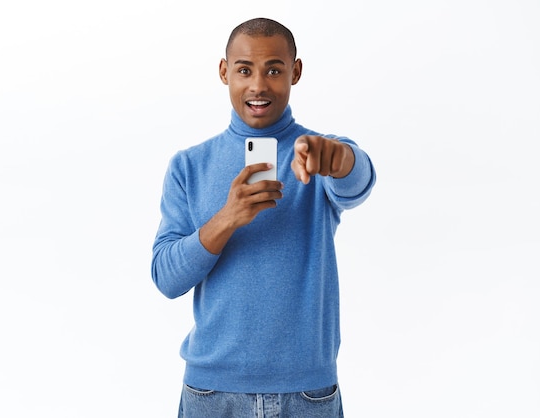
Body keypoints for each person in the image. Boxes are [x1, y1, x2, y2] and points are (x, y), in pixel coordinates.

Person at [151, 17, 376, 418]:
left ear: (296, 71)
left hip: (307, 393)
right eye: (244, 70)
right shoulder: (189, 166)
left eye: (274, 69)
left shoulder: (317, 153)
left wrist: (340, 159)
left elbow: (357, 179)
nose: (258, 85)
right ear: (224, 72)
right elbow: (167, 279)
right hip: (212, 392)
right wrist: (227, 218)